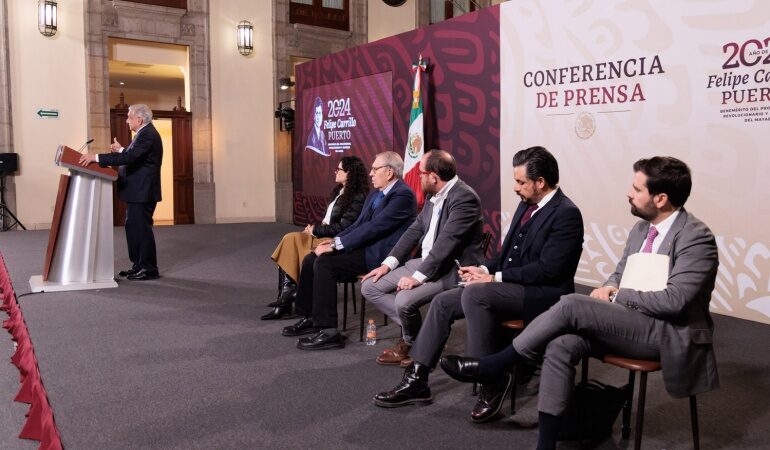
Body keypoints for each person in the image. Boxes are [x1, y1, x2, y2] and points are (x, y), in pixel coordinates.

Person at [440, 156, 719, 450]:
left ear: (660, 199)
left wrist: (615, 295)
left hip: (665, 333)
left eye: (637, 189)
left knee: (573, 303)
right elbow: (621, 272)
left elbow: (675, 301)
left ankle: (494, 364)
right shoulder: (641, 229)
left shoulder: (695, 238)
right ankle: (545, 445)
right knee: (562, 345)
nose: (628, 193)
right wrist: (612, 284)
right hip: (629, 321)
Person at [373, 146, 584, 425]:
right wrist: (483, 268)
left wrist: (493, 278)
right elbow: (508, 255)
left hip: (543, 294)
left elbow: (549, 270)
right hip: (512, 286)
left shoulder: (566, 213)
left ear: (540, 182)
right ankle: (417, 378)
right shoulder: (527, 204)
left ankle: (490, 379)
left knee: (476, 294)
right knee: (443, 302)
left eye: (520, 182)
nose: (515, 188)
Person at [281, 151, 417, 350]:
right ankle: (311, 317)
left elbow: (374, 227)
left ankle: (329, 331)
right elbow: (358, 224)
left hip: (380, 256)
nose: (370, 173)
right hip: (363, 248)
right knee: (312, 258)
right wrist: (333, 242)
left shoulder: (402, 195)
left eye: (375, 169)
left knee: (325, 263)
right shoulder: (375, 194)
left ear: (389, 172)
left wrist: (337, 245)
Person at [360, 149, 483, 365]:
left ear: (433, 177)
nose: (418, 177)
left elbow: (446, 244)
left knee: (404, 300)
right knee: (370, 286)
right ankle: (425, 337)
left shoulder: (464, 198)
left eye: (421, 173)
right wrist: (387, 265)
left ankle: (411, 342)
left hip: (450, 269)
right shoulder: (432, 194)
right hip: (425, 262)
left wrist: (417, 278)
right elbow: (414, 231)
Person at [262, 156, 369, 320]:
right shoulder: (339, 192)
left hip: (333, 239)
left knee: (295, 243)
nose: (336, 172)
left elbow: (344, 227)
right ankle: (286, 297)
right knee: (290, 239)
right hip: (323, 233)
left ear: (349, 173)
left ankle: (287, 299)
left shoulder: (357, 196)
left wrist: (316, 231)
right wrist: (313, 229)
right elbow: (329, 220)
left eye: (339, 169)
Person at [79, 104, 163, 281]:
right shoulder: (143, 134)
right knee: (133, 229)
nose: (127, 120)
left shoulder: (147, 134)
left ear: (139, 119)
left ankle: (149, 268)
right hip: (136, 192)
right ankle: (138, 265)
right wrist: (121, 150)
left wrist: (96, 157)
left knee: (141, 229)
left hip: (142, 192)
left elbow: (130, 158)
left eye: (129, 117)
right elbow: (134, 155)